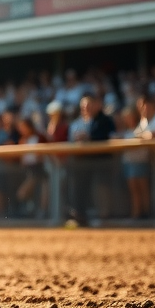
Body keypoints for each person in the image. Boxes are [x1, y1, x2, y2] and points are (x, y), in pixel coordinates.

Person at [68, 94, 117, 225]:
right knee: (79, 189)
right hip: (81, 162)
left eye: (89, 105)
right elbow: (71, 140)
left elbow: (111, 138)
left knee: (102, 187)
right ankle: (79, 216)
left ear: (96, 105)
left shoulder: (105, 121)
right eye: (84, 106)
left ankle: (105, 216)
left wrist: (90, 138)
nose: (86, 108)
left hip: (101, 160)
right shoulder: (76, 123)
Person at [120, 106, 150, 220]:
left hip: (140, 161)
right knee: (133, 189)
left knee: (143, 188)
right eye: (125, 118)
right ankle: (136, 213)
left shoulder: (141, 127)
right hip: (129, 162)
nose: (127, 119)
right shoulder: (127, 132)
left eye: (129, 117)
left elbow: (146, 137)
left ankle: (147, 212)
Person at [16, 118, 48, 218]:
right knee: (24, 193)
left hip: (39, 168)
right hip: (28, 169)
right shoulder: (23, 140)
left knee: (43, 191)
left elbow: (46, 153)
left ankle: (42, 213)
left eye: (23, 127)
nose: (22, 130)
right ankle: (28, 212)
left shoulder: (39, 137)